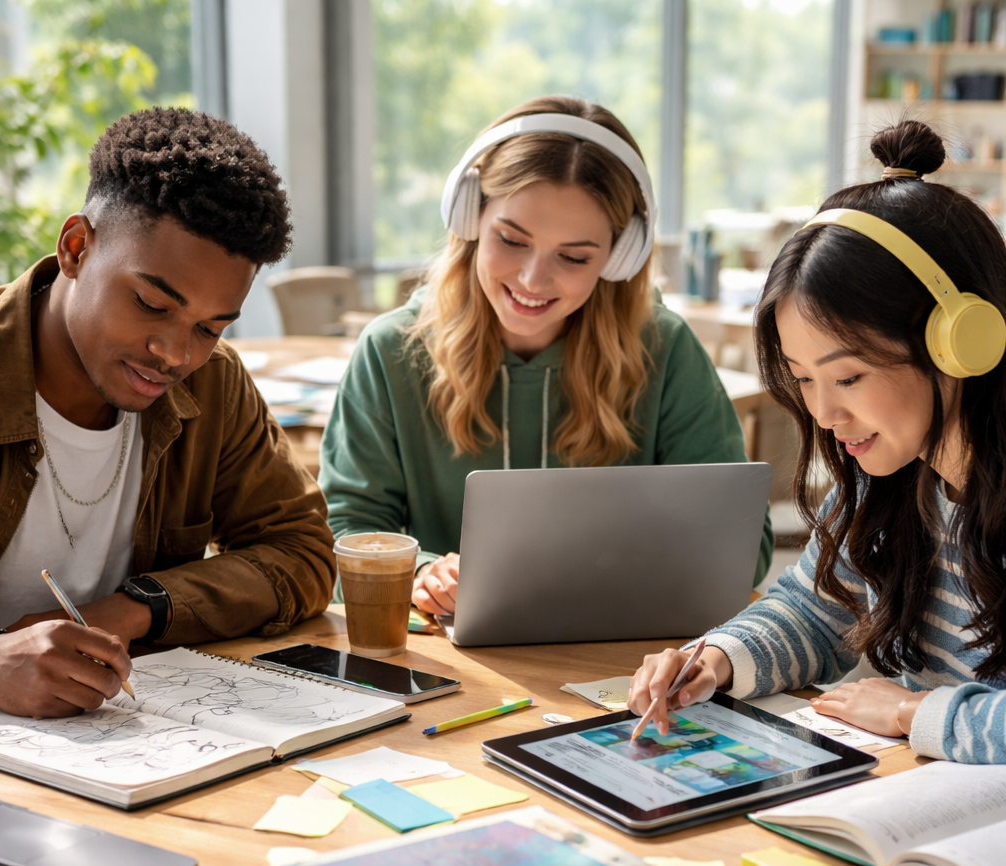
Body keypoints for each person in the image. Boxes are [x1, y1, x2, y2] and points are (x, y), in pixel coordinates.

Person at [629, 120, 1006, 764]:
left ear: (959, 344)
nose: (824, 412)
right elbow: (815, 609)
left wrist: (916, 711)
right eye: (804, 379)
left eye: (848, 376)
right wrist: (717, 659)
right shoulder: (884, 476)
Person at [320, 95, 774, 615]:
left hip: (619, 659)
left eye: (574, 256)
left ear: (620, 256)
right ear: (469, 218)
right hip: (450, 665)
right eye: (511, 240)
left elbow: (741, 551)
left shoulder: (666, 351)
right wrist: (422, 571)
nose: (533, 280)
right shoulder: (390, 351)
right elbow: (345, 530)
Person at [0, 108, 335, 719]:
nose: (175, 354)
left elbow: (300, 551)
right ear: (76, 247)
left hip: (112, 747)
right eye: (150, 304)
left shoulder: (214, 386)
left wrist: (137, 607)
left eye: (209, 327)